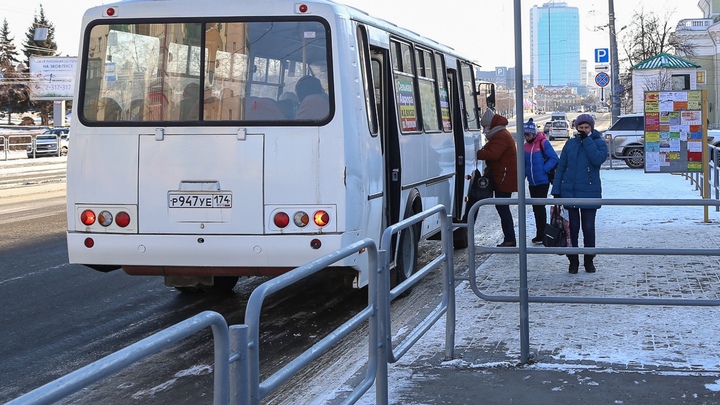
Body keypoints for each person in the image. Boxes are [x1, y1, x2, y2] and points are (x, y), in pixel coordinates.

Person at [550, 113, 608, 273]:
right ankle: (573, 260)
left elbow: (598, 159)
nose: (583, 130)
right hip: (569, 192)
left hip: (589, 192)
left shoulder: (598, 143)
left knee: (588, 228)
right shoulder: (570, 144)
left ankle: (589, 260)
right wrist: (556, 190)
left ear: (591, 128)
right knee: (572, 229)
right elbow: (561, 167)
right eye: (581, 128)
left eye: (586, 127)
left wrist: (587, 140)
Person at [477, 109, 518, 247]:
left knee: (503, 208)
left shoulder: (500, 136)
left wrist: (478, 153)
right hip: (503, 176)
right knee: (502, 208)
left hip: (504, 178)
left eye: (485, 126)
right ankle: (509, 238)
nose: (484, 129)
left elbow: (493, 154)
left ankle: (510, 239)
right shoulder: (500, 134)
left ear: (490, 125)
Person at [523, 118, 558, 243]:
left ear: (533, 133)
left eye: (528, 134)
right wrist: (523, 176)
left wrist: (544, 169)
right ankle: (540, 233)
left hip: (543, 181)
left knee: (540, 208)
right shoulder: (525, 146)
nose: (526, 137)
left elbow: (554, 158)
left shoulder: (543, 143)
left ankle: (542, 234)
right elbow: (524, 164)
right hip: (532, 182)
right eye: (524, 135)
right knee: (536, 208)